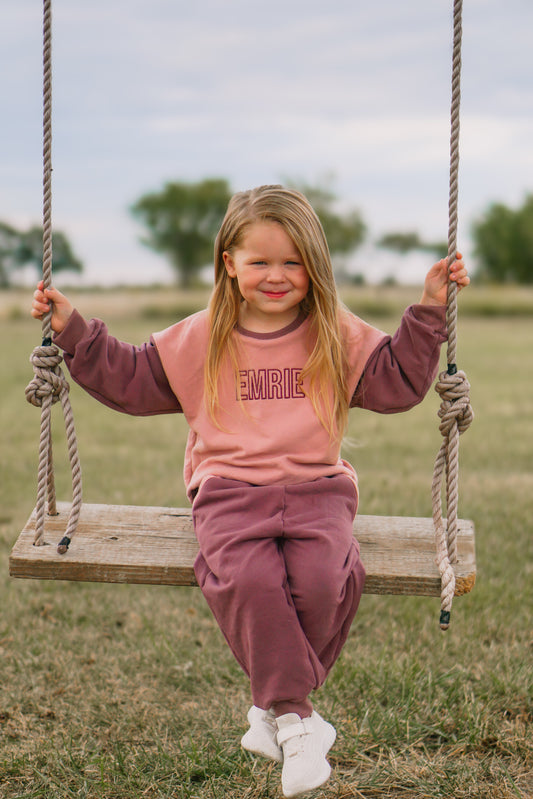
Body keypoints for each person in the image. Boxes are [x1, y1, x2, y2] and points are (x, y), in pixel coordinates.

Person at [31, 185, 469, 798]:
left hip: (319, 489)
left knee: (324, 579)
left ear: (314, 266)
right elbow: (129, 378)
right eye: (259, 261)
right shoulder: (199, 336)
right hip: (229, 492)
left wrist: (427, 311)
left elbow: (397, 382)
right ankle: (298, 719)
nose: (276, 275)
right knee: (248, 579)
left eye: (292, 262)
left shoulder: (331, 332)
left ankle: (277, 713)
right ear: (229, 262)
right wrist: (73, 330)